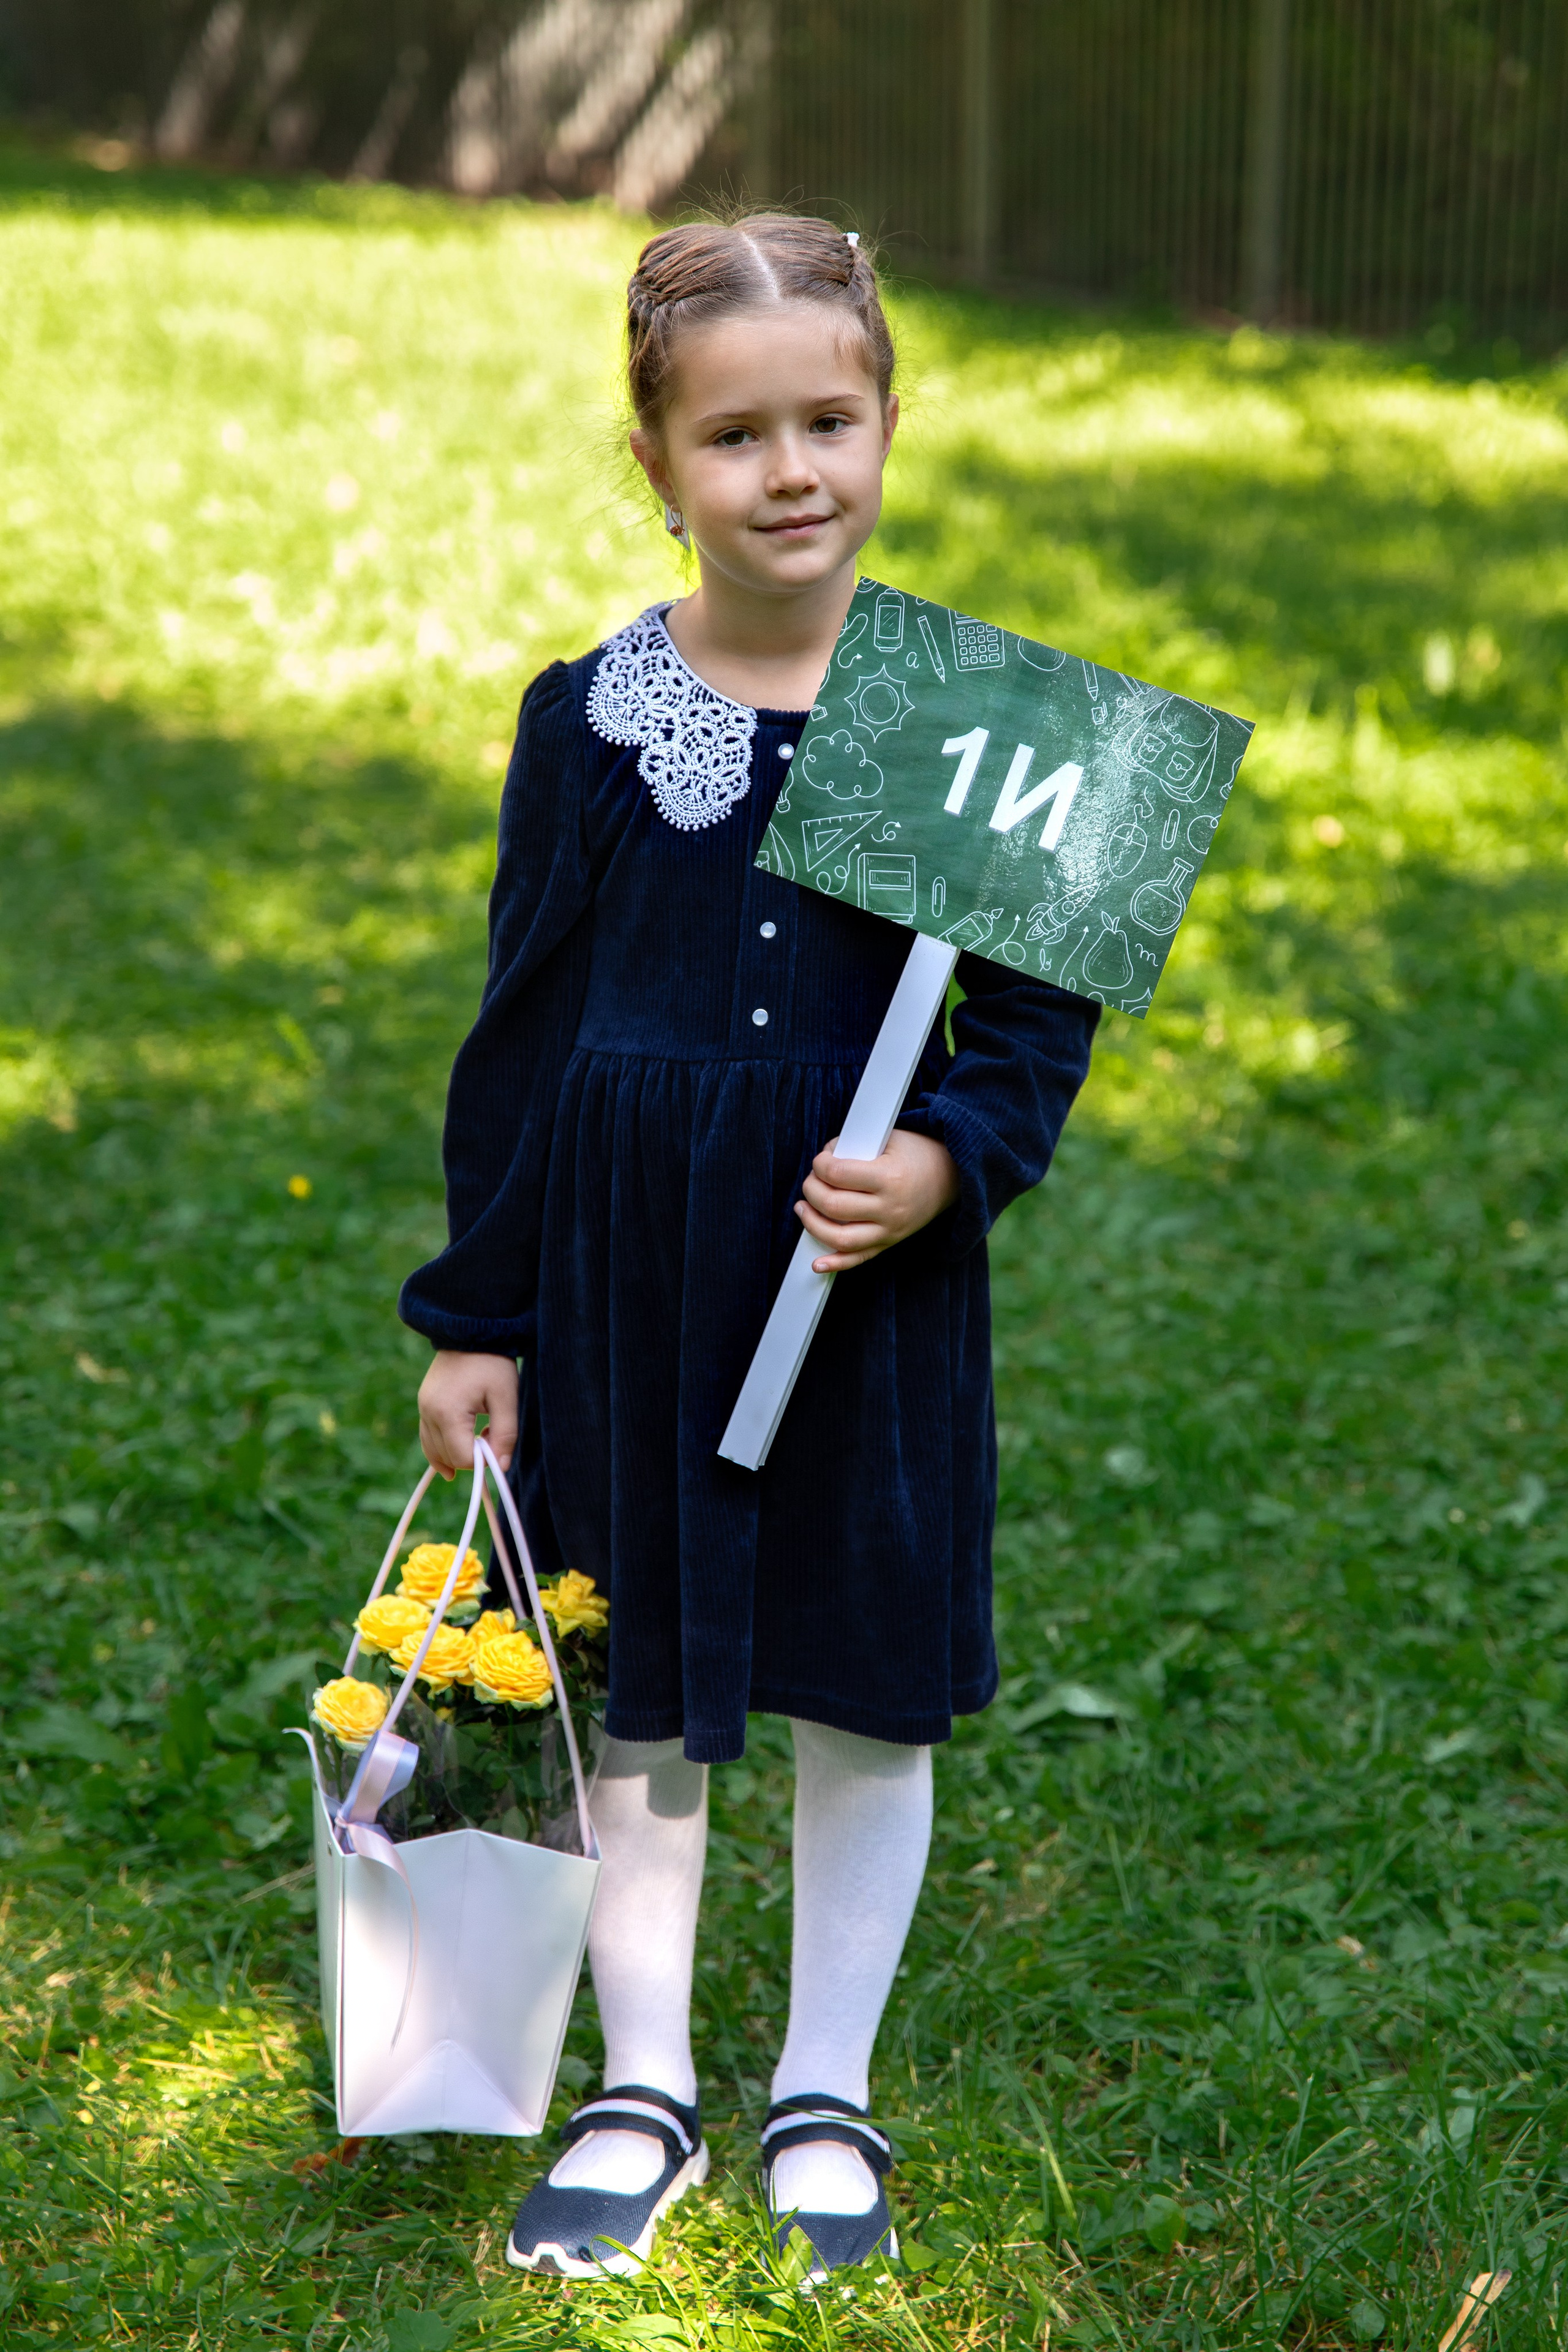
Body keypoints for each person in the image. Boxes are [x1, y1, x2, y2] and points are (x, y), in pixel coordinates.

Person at [399, 213, 1099, 2286]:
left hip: (864, 1292)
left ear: (890, 422)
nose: (793, 469)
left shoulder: (968, 724)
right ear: (657, 464)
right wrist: (479, 1315)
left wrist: (950, 1162)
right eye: (737, 436)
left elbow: (1033, 1034)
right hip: (631, 1279)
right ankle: (644, 2085)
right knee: (644, 1690)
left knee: (857, 1689)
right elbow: (521, 1029)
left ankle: (824, 2088)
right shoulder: (592, 719)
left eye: (832, 420)